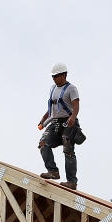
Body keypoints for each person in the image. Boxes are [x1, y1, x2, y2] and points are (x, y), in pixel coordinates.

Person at [38, 62, 81, 190]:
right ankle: (53, 171)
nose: (54, 79)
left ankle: (72, 182)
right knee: (43, 143)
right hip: (55, 122)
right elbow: (51, 108)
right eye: (53, 76)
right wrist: (43, 120)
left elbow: (76, 105)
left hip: (68, 122)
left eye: (56, 76)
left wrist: (73, 118)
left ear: (64, 75)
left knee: (68, 150)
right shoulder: (52, 88)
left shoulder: (71, 88)